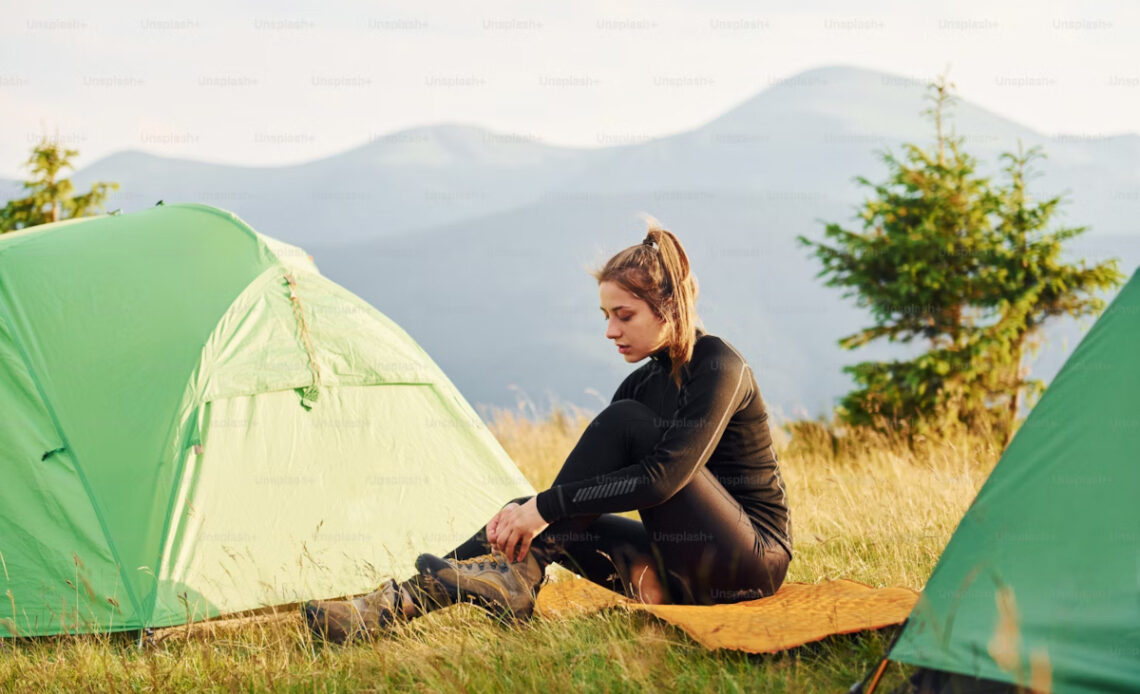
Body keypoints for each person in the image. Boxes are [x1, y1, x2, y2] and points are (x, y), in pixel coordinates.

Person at [304, 221, 794, 643]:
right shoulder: (641, 385)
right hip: (677, 575)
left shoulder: (719, 366)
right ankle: (386, 608)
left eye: (625, 315)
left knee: (557, 493)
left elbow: (663, 480)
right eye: (606, 316)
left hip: (749, 568)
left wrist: (543, 508)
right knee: (523, 510)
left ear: (670, 308)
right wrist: (529, 513)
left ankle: (517, 575)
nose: (611, 331)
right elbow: (600, 490)